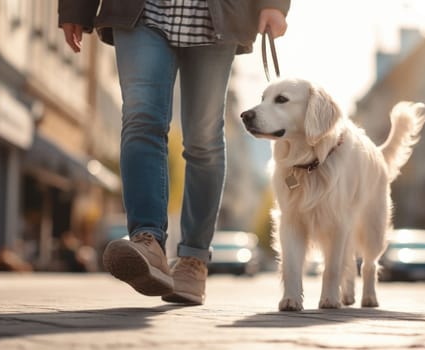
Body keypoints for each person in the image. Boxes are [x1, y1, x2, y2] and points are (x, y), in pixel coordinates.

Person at [58, 0, 290, 305]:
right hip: (141, 11)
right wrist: (76, 8)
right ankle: (147, 239)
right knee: (141, 120)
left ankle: (193, 260)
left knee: (203, 139)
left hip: (216, 14)